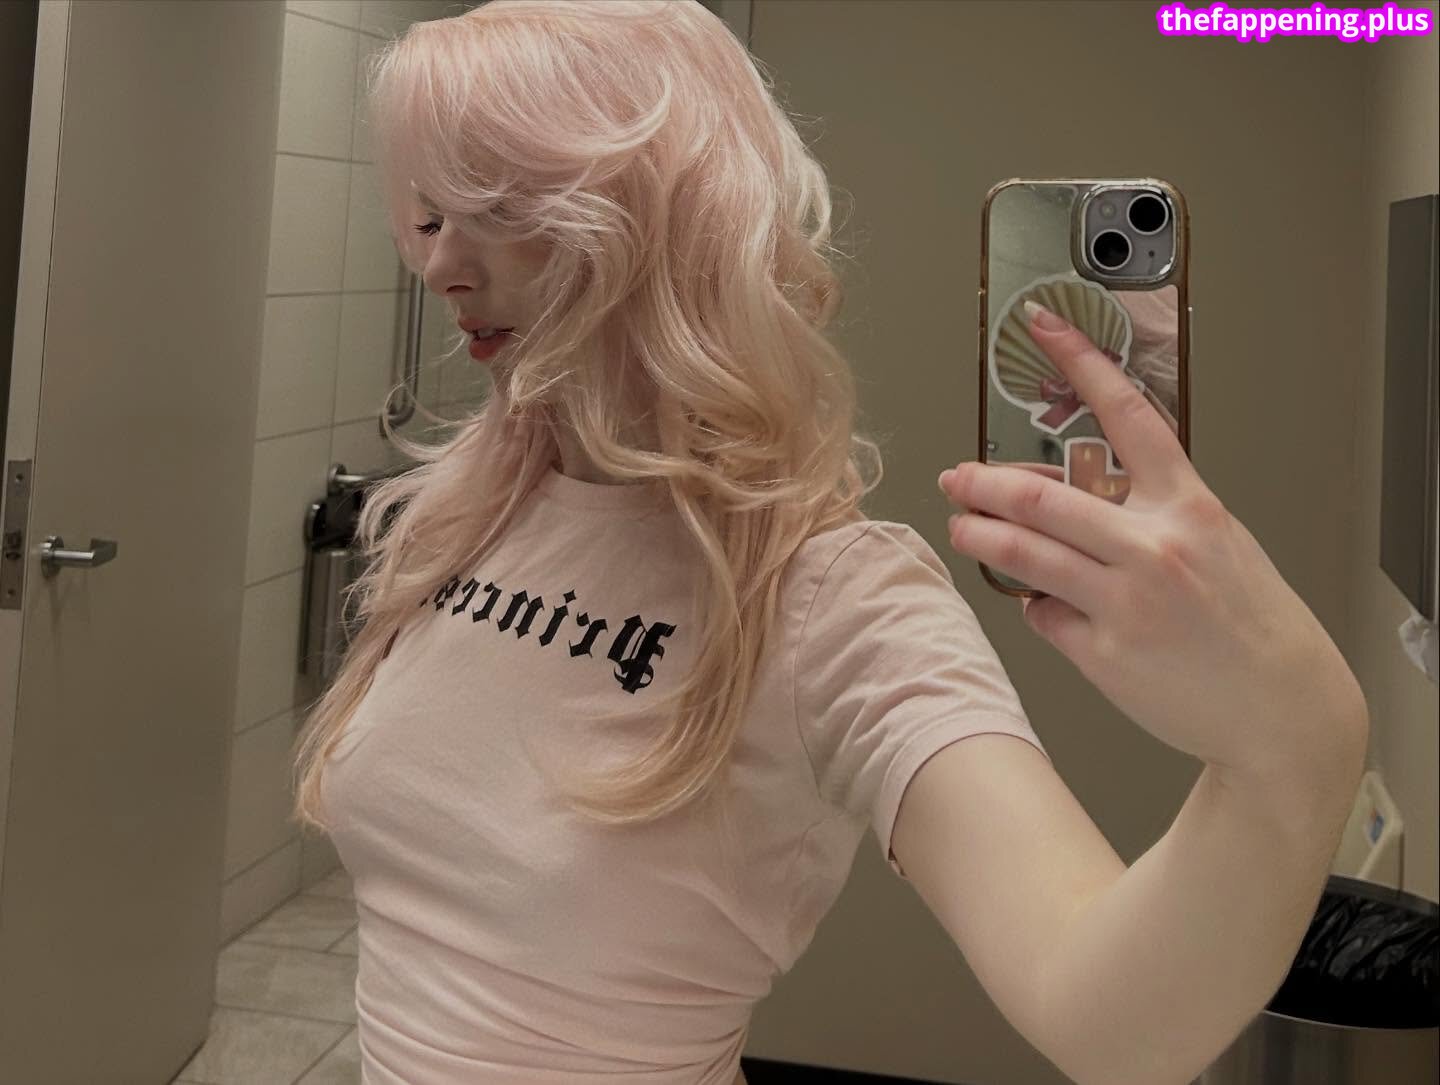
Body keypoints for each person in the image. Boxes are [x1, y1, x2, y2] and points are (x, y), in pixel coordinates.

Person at [290, 4, 1371, 1084]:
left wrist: (1296, 742)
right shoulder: (463, 507)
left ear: (663, 214)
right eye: (430, 218)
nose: (442, 265)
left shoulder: (831, 598)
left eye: (496, 208)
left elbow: (1112, 1021)